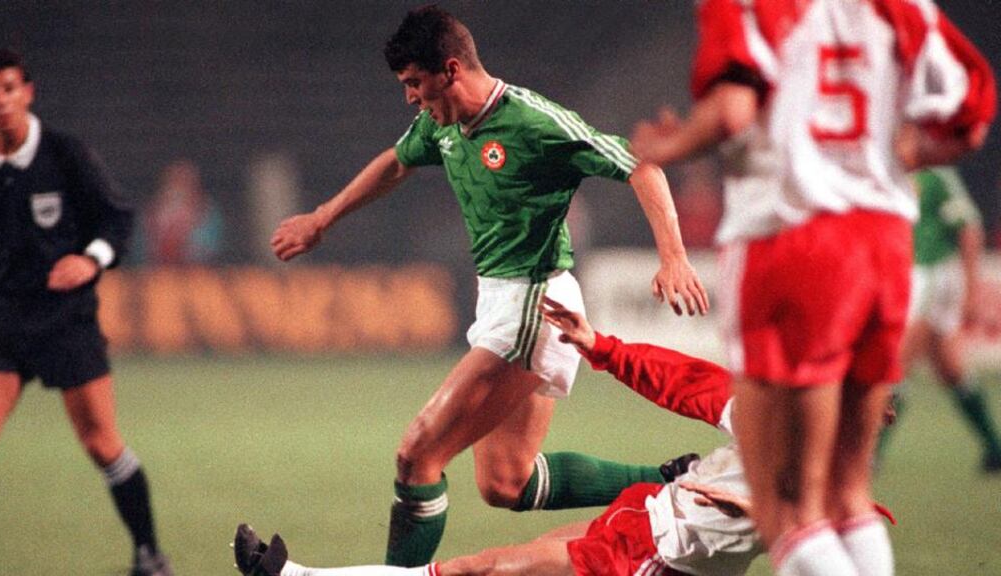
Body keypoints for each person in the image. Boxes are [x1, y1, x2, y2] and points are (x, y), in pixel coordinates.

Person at [269, 5, 709, 568]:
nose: (409, 97)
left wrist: (673, 257)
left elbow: (641, 165)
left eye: (414, 83)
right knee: (507, 482)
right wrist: (322, 219)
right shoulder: (443, 122)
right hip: (499, 300)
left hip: (536, 303)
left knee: (417, 455)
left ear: (450, 69)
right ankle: (676, 479)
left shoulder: (532, 122)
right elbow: (396, 163)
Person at [631, 2, 995, 575]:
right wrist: (895, 156)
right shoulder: (903, 8)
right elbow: (969, 117)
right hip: (882, 246)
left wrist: (670, 146)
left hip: (790, 241)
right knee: (849, 492)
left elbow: (731, 112)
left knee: (787, 507)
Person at [232, 297, 898, 576]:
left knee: (480, 569)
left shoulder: (831, 489)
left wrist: (762, 513)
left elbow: (834, 528)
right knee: (490, 562)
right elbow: (683, 381)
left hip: (654, 561)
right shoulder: (771, 414)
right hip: (646, 518)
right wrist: (599, 345)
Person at [0, 49, 173, 575]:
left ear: (27, 93)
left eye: (8, 88)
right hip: (5, 322)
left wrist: (90, 261)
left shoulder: (64, 155)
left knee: (101, 443)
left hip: (67, 322)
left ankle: (149, 554)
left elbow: (117, 219)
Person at [880, 166, 1001, 471]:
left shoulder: (937, 173)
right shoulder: (887, 165)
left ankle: (871, 454)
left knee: (898, 362)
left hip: (933, 273)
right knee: (948, 367)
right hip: (911, 273)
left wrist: (971, 289)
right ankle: (995, 447)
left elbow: (970, 228)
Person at [139, 159, 224, 265]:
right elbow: (143, 249)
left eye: (185, 180)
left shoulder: (206, 211)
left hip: (198, 274)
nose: (179, 186)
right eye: (175, 179)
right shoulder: (152, 213)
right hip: (158, 274)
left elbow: (210, 248)